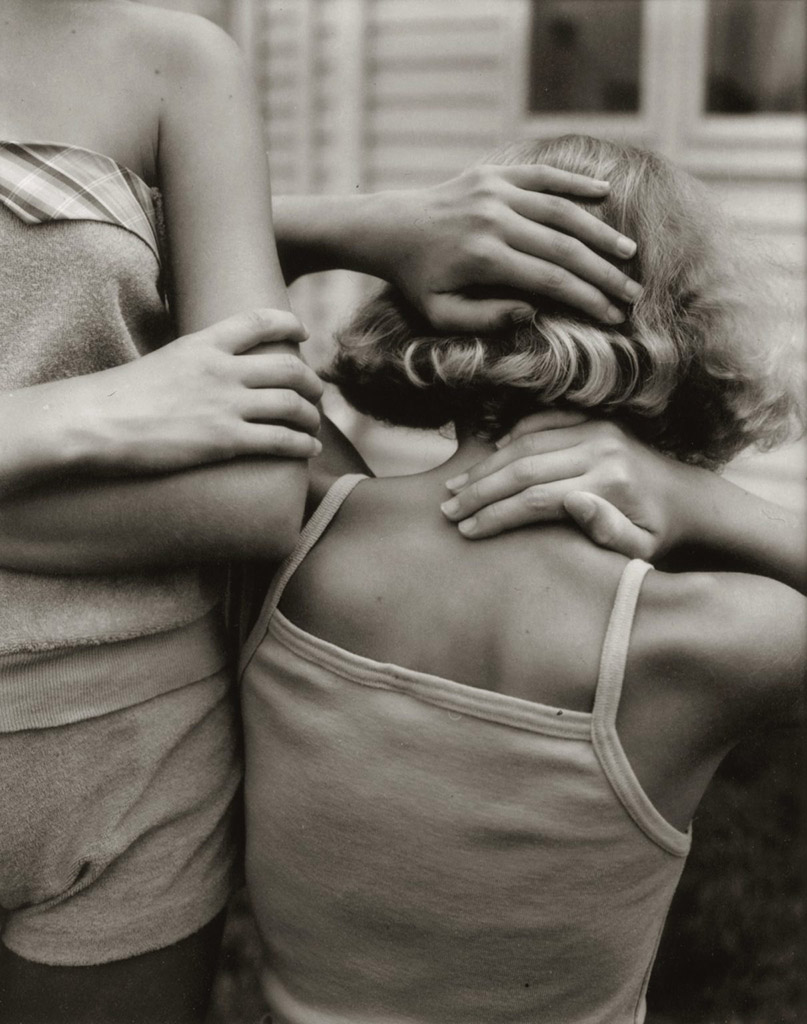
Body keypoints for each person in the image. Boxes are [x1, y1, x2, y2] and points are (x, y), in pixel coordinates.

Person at [4, 134, 803, 1022]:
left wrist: (378, 230)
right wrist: (703, 503)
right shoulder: (712, 639)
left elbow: (162, 258)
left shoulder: (300, 516)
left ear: (434, 297)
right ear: (693, 334)